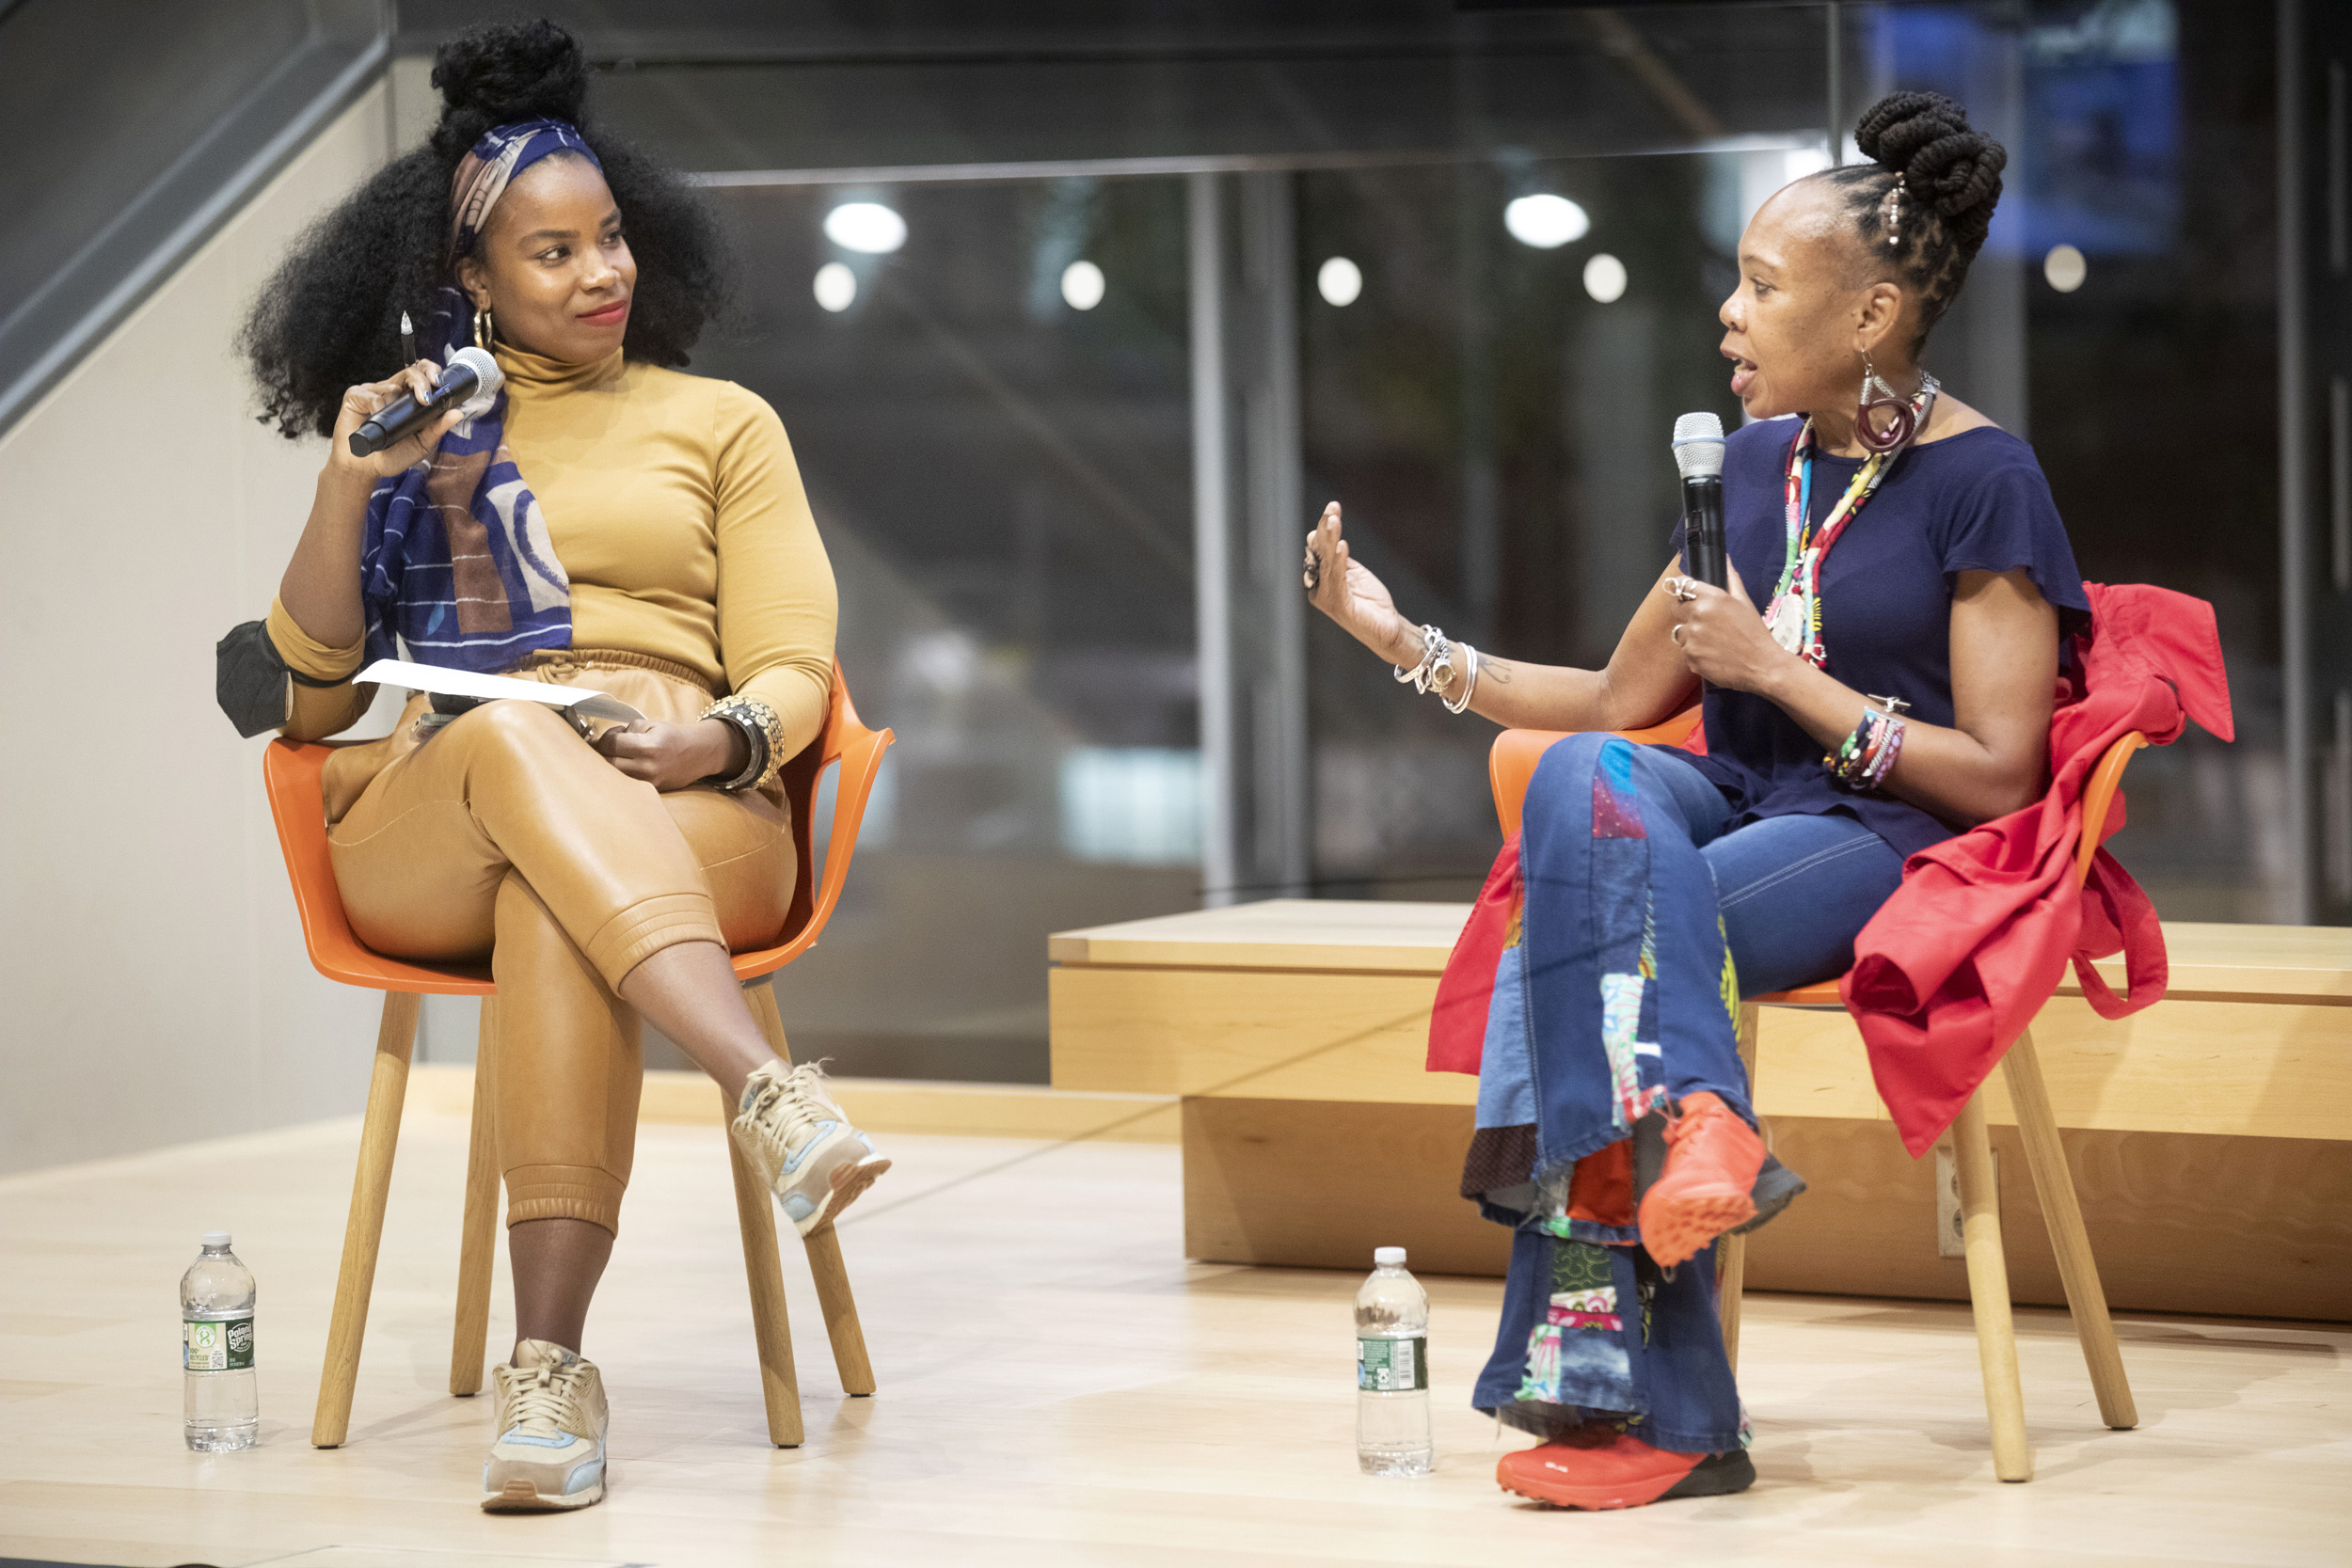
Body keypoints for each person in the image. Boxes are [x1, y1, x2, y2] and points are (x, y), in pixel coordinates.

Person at [1306, 92, 2079, 1510]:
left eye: (1763, 286)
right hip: (1727, 802)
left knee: (1595, 948)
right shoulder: (1754, 466)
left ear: (1872, 316)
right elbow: (1611, 706)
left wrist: (1784, 678)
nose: (1727, 313)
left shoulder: (1987, 484)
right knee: (1592, 783)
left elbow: (2001, 774)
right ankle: (1701, 1125)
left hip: (1883, 839)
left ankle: (1656, 1416)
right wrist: (1402, 642)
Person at [224, 21, 888, 1513]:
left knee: (554, 904)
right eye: (555, 253)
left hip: (686, 791)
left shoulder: (722, 424)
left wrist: (718, 736)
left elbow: (792, 659)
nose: (605, 274)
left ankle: (549, 1376)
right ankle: (768, 1091)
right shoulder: (415, 430)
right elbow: (314, 702)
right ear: (471, 280)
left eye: (611, 239)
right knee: (517, 741)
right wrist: (348, 487)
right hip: (437, 804)